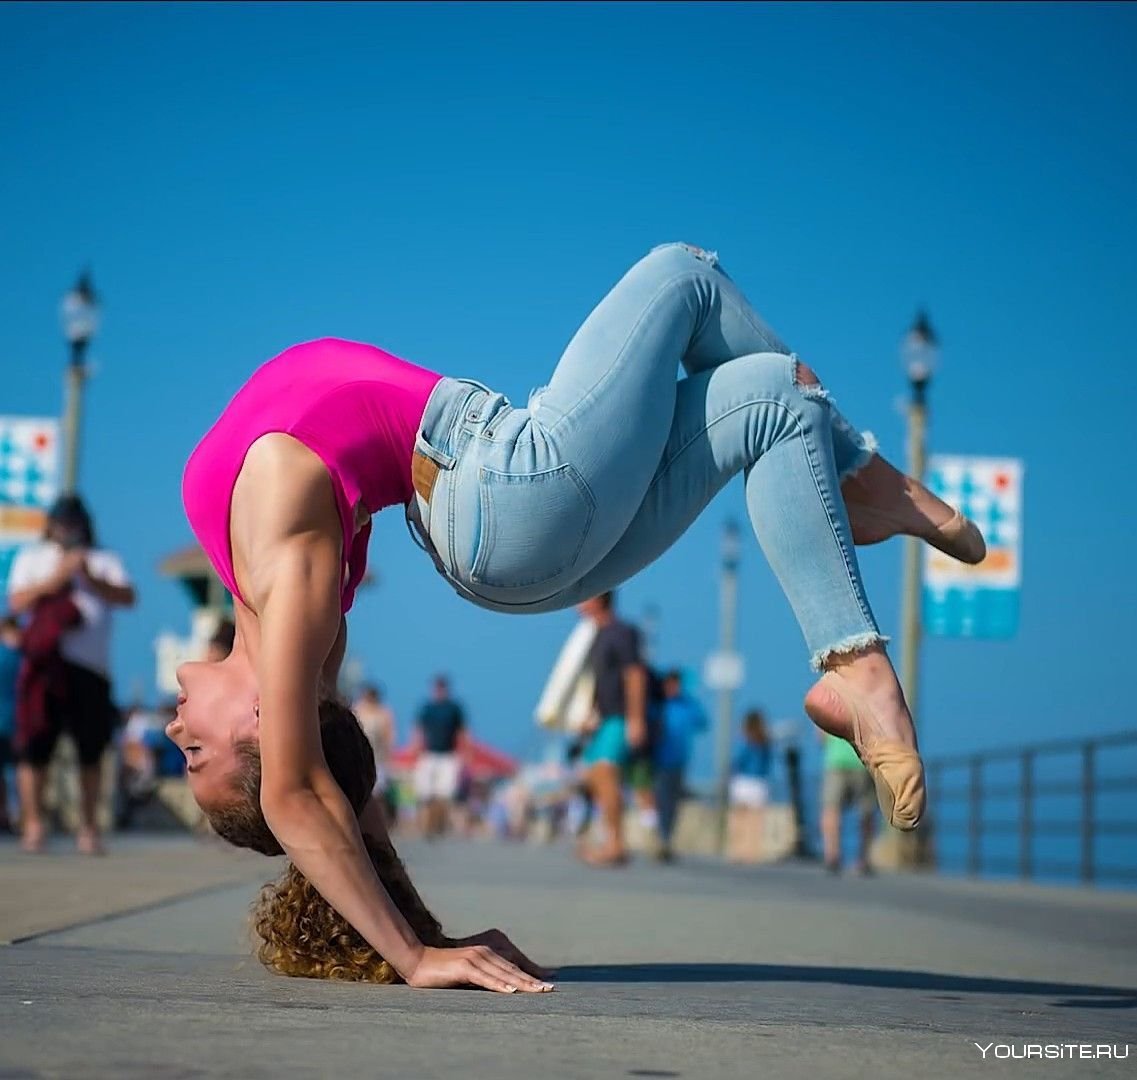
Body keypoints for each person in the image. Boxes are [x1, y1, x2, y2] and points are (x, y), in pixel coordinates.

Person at [172, 241, 983, 990]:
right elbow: (299, 789)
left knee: (776, 403)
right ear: (259, 723)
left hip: (515, 531)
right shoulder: (287, 586)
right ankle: (867, 484)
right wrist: (415, 956)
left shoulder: (293, 622)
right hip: (505, 487)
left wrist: (412, 919)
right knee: (684, 274)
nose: (174, 732)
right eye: (197, 753)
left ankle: (854, 666)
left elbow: (342, 797)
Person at [8, 496, 135, 854]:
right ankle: (33, 823)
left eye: (73, 522)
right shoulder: (32, 558)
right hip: (43, 666)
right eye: (62, 522)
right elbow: (17, 602)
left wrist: (89, 577)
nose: (67, 529)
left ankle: (89, 826)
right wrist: (57, 578)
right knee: (34, 748)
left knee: (90, 750)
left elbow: (128, 597)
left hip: (90, 669)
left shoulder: (104, 559)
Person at [574, 592, 649, 867]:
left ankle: (616, 845)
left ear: (598, 599)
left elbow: (635, 673)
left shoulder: (622, 632)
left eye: (582, 597)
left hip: (621, 716)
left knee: (605, 773)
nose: (576, 603)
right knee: (594, 776)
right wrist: (591, 713)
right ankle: (610, 839)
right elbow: (599, 681)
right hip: (605, 719)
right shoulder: (595, 635)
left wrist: (636, 718)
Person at [652, 669, 708, 862]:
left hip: (679, 760)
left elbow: (702, 722)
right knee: (660, 800)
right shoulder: (657, 704)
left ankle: (666, 840)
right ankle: (660, 838)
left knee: (673, 802)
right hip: (658, 759)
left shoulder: (687, 705)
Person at [414, 676, 465, 839]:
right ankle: (426, 826)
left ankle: (437, 826)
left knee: (444, 794)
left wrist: (466, 751)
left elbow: (462, 732)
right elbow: (418, 729)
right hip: (429, 754)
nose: (439, 691)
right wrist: (415, 748)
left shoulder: (454, 708)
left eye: (442, 688)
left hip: (448, 755)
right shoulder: (427, 708)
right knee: (425, 794)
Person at [821, 732, 878, 875]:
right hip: (864, 759)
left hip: (837, 759)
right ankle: (863, 858)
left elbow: (820, 734)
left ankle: (832, 855)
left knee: (831, 808)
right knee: (866, 811)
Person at [728, 709, 773, 861]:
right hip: (758, 783)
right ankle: (752, 852)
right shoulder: (765, 742)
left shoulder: (744, 741)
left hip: (742, 782)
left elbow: (736, 761)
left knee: (738, 819)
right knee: (755, 822)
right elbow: (767, 763)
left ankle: (737, 850)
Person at [353, 683, 397, 823]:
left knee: (378, 794)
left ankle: (381, 820)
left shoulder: (384, 713)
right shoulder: (358, 709)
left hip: (379, 759)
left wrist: (389, 756)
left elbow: (389, 737)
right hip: (360, 758)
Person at [0, 615, 22, 832]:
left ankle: (6, 814)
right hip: (16, 723)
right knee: (15, 772)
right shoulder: (22, 657)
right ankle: (14, 815)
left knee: (9, 774)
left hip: (11, 723)